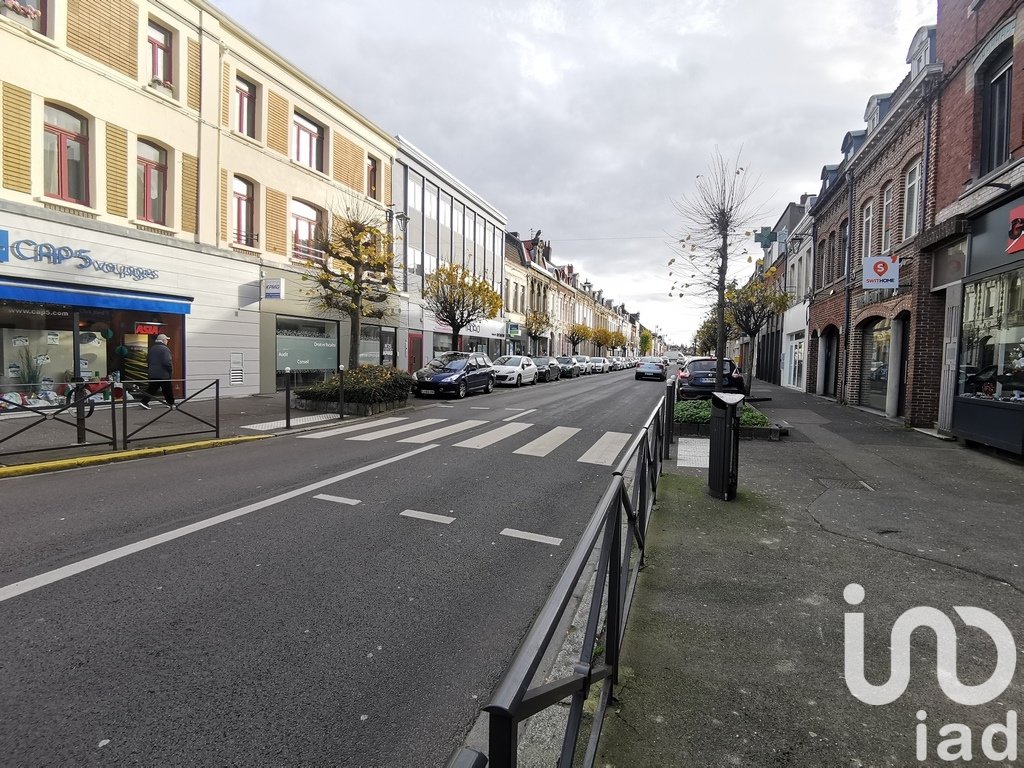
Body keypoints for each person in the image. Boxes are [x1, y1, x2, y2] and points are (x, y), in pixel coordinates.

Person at [138, 334, 175, 409]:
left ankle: (144, 402)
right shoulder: (165, 349)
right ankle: (171, 404)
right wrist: (170, 370)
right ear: (163, 340)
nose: (167, 341)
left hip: (152, 373)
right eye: (166, 340)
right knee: (167, 389)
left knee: (152, 388)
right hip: (163, 374)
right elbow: (167, 362)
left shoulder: (152, 348)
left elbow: (147, 360)